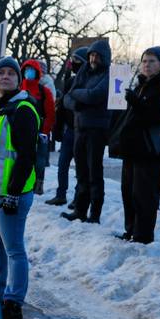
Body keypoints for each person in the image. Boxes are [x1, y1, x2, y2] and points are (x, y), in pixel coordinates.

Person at [0, 56, 41, 319]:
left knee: (14, 250)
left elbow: (27, 157)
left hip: (10, 194)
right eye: (1, 73)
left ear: (19, 80)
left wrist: (13, 193)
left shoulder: (23, 110)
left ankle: (13, 302)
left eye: (11, 74)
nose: (5, 77)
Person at [117, 46, 160, 242]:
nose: (147, 65)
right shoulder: (140, 85)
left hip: (150, 148)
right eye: (144, 61)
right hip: (132, 148)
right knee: (128, 192)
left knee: (143, 195)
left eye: (152, 61)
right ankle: (131, 230)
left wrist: (136, 102)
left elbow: (159, 114)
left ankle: (143, 236)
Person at [61, 38, 112, 223]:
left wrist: (78, 95)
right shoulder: (83, 72)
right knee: (81, 172)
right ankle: (80, 210)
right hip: (79, 128)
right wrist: (79, 99)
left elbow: (95, 95)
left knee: (94, 173)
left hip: (97, 130)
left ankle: (95, 213)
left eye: (97, 55)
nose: (93, 59)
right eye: (91, 55)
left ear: (104, 57)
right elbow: (67, 98)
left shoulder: (109, 74)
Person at [46, 48, 87, 206]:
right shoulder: (70, 81)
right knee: (62, 164)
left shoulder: (87, 82)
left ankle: (78, 198)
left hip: (82, 130)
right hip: (69, 130)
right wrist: (57, 130)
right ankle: (61, 194)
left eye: (76, 61)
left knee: (80, 168)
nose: (72, 64)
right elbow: (62, 106)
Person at [20, 58, 56, 195]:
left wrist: (45, 131)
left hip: (40, 131)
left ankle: (38, 183)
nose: (29, 73)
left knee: (40, 159)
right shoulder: (18, 88)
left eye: (32, 70)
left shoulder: (44, 91)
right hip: (21, 130)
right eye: (27, 70)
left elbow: (50, 113)